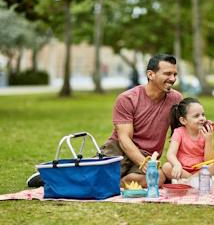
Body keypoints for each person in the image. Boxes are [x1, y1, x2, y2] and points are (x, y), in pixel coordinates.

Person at [27, 54, 182, 188]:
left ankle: (107, 182)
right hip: (119, 148)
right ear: (150, 74)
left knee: (158, 179)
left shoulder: (176, 99)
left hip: (148, 154)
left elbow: (181, 132)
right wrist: (145, 165)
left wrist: (201, 127)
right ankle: (53, 176)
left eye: (175, 74)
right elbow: (124, 138)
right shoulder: (127, 99)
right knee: (88, 175)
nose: (173, 79)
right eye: (167, 74)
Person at [162, 97, 214, 181]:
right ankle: (196, 181)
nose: (202, 118)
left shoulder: (206, 133)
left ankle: (191, 181)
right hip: (183, 169)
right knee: (166, 167)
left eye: (203, 115)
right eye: (196, 116)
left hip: (201, 170)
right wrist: (176, 165)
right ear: (183, 120)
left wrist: (209, 140)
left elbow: (210, 161)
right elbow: (170, 154)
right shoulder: (179, 132)